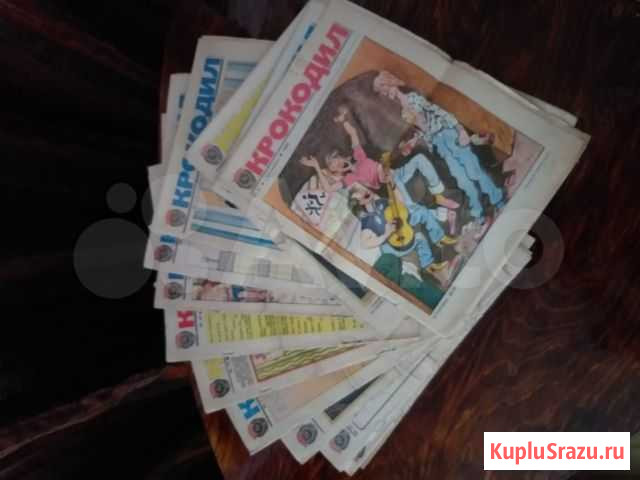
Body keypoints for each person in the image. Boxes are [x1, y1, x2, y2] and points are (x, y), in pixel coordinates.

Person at [373, 70, 504, 229]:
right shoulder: (403, 113)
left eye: (386, 89)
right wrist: (415, 142)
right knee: (461, 179)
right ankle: (478, 210)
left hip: (448, 133)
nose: (387, 94)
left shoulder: (414, 98)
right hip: (437, 143)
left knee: (474, 171)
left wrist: (460, 129)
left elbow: (438, 112)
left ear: (391, 83)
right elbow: (422, 129)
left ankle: (497, 198)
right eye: (384, 93)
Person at [299, 106, 459, 211]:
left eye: (336, 159)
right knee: (404, 199)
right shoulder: (351, 177)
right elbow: (328, 189)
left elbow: (353, 134)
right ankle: (430, 203)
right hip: (390, 184)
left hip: (397, 172)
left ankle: (438, 190)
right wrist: (316, 166)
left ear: (341, 157)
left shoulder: (359, 156)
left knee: (420, 159)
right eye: (333, 165)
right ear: (335, 170)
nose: (337, 163)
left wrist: (343, 121)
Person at [349, 182, 458, 282]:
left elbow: (400, 204)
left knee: (422, 212)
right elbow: (365, 243)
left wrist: (393, 187)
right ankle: (430, 267)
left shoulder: (380, 202)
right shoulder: (367, 221)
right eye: (362, 194)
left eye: (364, 189)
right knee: (419, 237)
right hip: (394, 244)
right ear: (360, 203)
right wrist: (386, 233)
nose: (365, 191)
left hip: (401, 226)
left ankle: (440, 238)